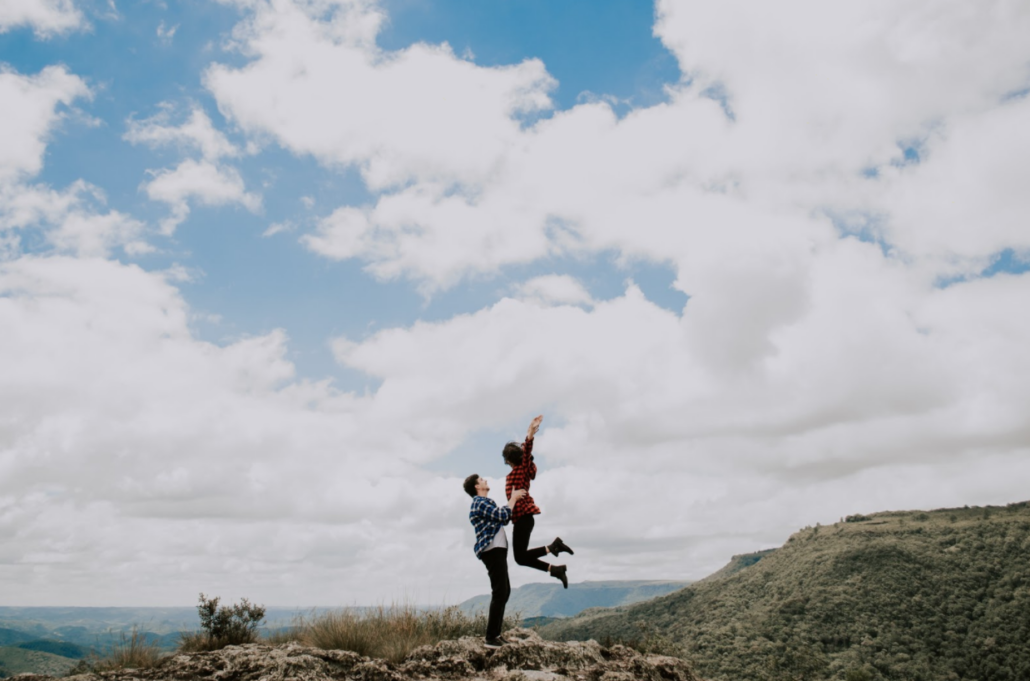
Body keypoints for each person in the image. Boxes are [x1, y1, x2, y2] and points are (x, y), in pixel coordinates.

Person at [503, 414, 574, 588]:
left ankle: (554, 549)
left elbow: (527, 452)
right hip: (521, 519)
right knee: (520, 558)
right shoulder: (516, 473)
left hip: (524, 518)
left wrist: (530, 433)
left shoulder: (521, 470)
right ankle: (555, 568)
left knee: (520, 557)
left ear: (509, 460)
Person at [464, 473, 526, 648]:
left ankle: (496, 634)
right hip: (492, 550)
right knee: (500, 591)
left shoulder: (485, 502)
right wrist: (513, 498)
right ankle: (491, 637)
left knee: (504, 591)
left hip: (496, 550)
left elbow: (504, 518)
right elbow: (501, 515)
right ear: (477, 486)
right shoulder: (479, 502)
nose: (485, 480)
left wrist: (509, 506)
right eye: (481, 480)